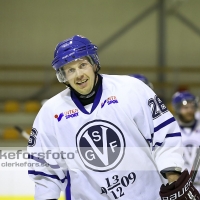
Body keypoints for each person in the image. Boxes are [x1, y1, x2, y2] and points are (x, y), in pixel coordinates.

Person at [27, 35, 200, 200]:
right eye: (70, 70)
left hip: (148, 194)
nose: (78, 74)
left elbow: (163, 135)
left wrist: (173, 178)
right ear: (63, 76)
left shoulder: (131, 89)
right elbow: (46, 171)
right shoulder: (50, 113)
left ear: (94, 64)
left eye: (82, 65)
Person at [172, 91, 200, 191]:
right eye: (185, 108)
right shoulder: (171, 129)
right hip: (181, 187)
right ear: (177, 109)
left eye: (192, 107)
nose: (189, 110)